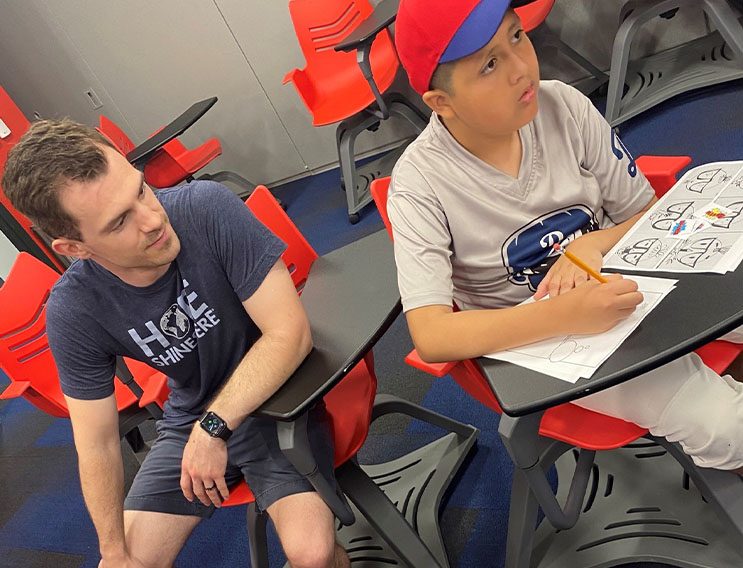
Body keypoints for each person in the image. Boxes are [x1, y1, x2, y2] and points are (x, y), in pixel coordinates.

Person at [388, 0, 743, 473]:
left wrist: (594, 243)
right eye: (489, 64)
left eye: (517, 37)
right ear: (442, 102)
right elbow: (431, 335)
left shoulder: (563, 105)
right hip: (541, 346)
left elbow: (646, 215)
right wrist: (563, 314)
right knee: (720, 423)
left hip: (622, 278)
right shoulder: (419, 184)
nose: (521, 69)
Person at [2, 119, 349, 568]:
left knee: (313, 556)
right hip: (191, 417)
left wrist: (213, 429)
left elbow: (290, 335)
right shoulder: (74, 309)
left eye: (141, 190)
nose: (153, 219)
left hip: (281, 395)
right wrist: (112, 552)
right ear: (75, 248)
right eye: (120, 221)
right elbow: (98, 442)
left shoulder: (206, 208)